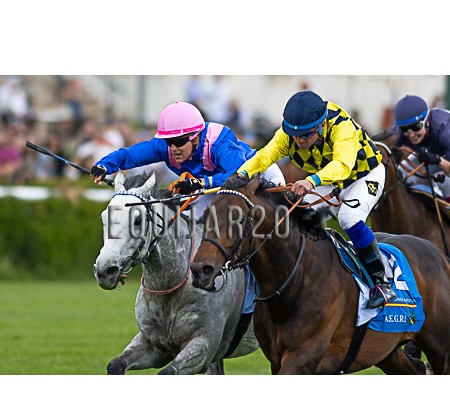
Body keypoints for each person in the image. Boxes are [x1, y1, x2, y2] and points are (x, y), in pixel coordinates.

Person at [230, 90, 396, 309]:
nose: (299, 141)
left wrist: (312, 181)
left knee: (348, 218)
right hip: (331, 179)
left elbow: (343, 165)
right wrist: (241, 175)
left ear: (322, 125)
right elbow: (265, 155)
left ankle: (382, 282)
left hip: (364, 175)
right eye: (294, 135)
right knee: (296, 219)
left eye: (305, 135)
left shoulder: (341, 126)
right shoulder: (291, 133)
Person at [90, 101, 285, 219]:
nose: (173, 148)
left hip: (258, 177)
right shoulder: (165, 147)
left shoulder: (220, 144)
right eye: (169, 142)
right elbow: (130, 155)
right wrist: (104, 165)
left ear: (196, 137)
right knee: (184, 224)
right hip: (216, 189)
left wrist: (200, 183)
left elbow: (238, 177)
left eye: (179, 141)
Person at [393, 95, 450, 201]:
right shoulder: (400, 131)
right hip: (436, 155)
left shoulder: (445, 130)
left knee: (446, 183)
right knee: (400, 173)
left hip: (445, 160)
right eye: (405, 129)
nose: (411, 135)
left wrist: (437, 160)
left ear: (427, 120)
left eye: (416, 127)